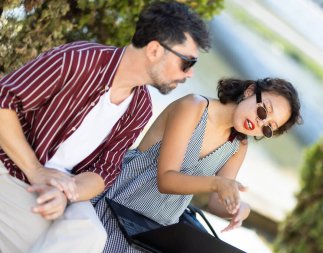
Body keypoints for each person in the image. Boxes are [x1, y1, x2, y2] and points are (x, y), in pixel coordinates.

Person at [0, 1, 210, 253]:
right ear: (154, 50)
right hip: (13, 166)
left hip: (65, 187)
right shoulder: (77, 61)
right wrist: (36, 171)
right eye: (187, 63)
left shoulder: (141, 107)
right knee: (40, 241)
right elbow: (3, 103)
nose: (189, 74)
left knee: (93, 235)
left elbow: (104, 172)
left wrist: (67, 193)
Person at [93, 77, 302, 252]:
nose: (260, 123)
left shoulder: (238, 146)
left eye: (268, 128)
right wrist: (217, 183)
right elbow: (166, 179)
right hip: (121, 201)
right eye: (264, 110)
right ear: (249, 91)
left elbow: (215, 202)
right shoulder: (193, 107)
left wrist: (238, 208)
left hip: (156, 229)